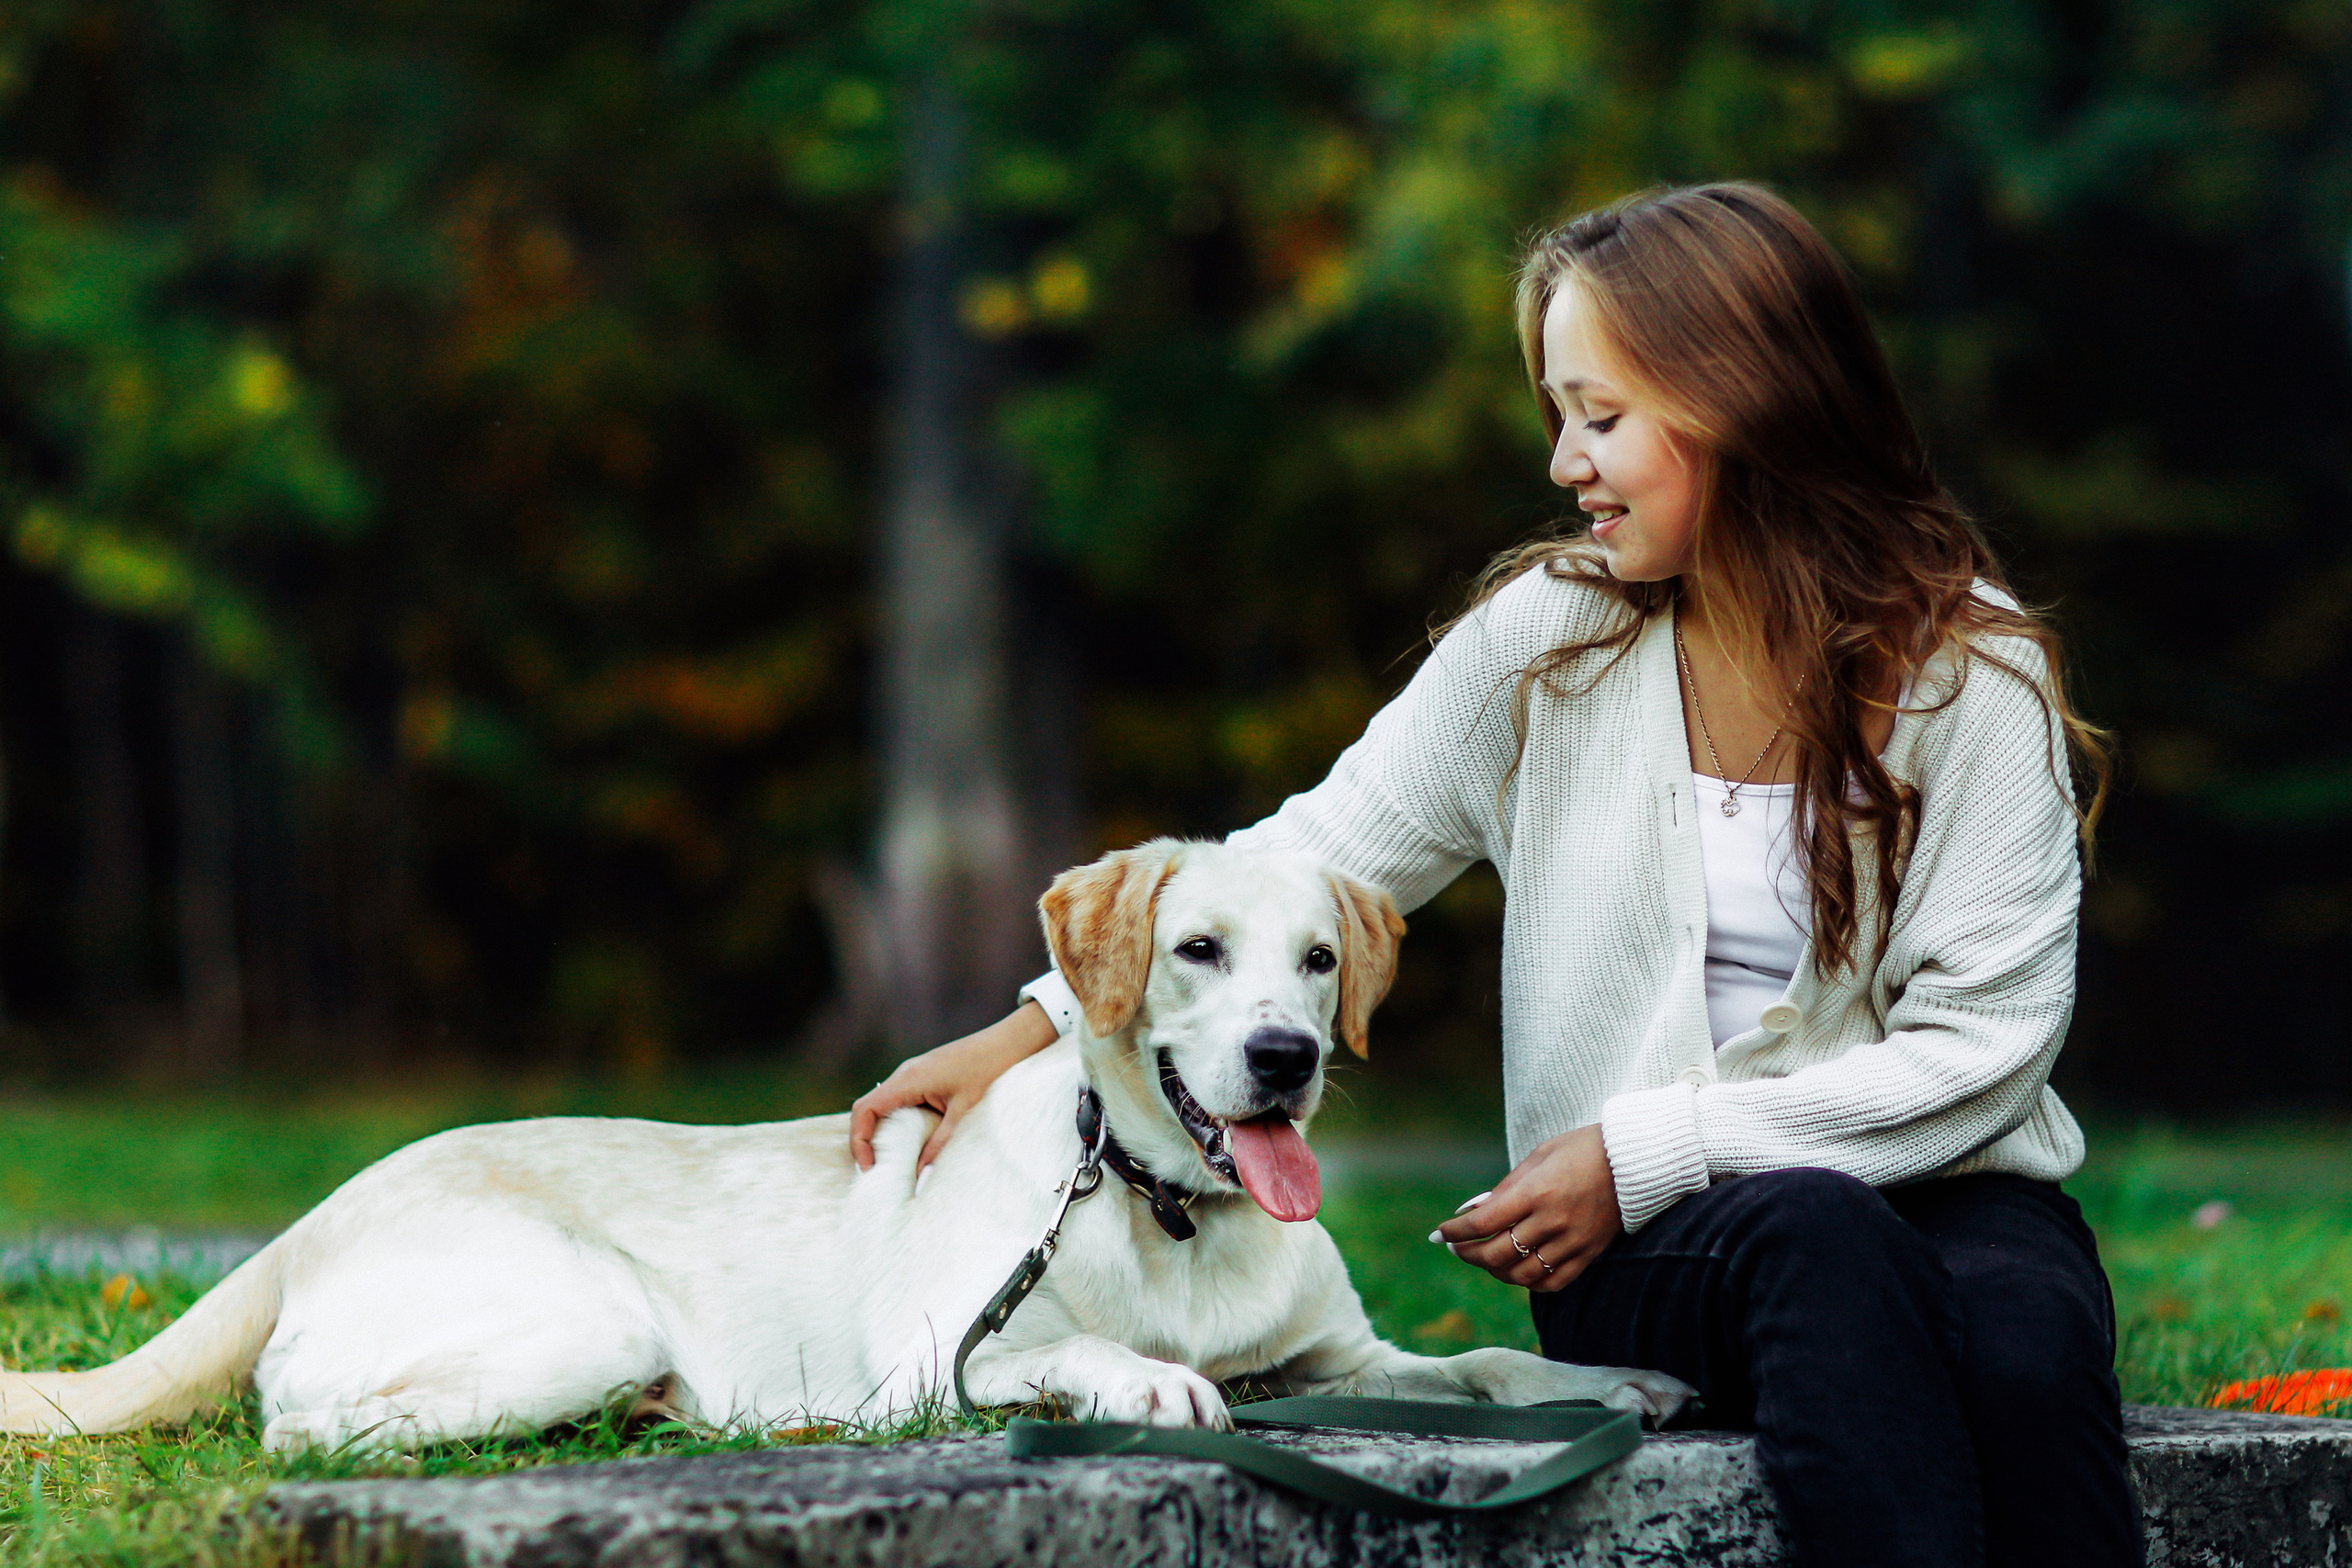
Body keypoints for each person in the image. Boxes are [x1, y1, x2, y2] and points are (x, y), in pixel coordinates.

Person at [848, 182, 2139, 1568]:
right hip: (1651, 1241)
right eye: (1558, 415)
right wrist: (1022, 1026)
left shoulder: (1970, 668)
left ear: (1745, 402)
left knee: (2023, 1348)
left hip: (1942, 1187)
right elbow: (1307, 858)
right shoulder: (1546, 645)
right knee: (1825, 1246)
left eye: (1602, 415)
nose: (1565, 462)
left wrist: (1640, 1146)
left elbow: (1987, 1049)